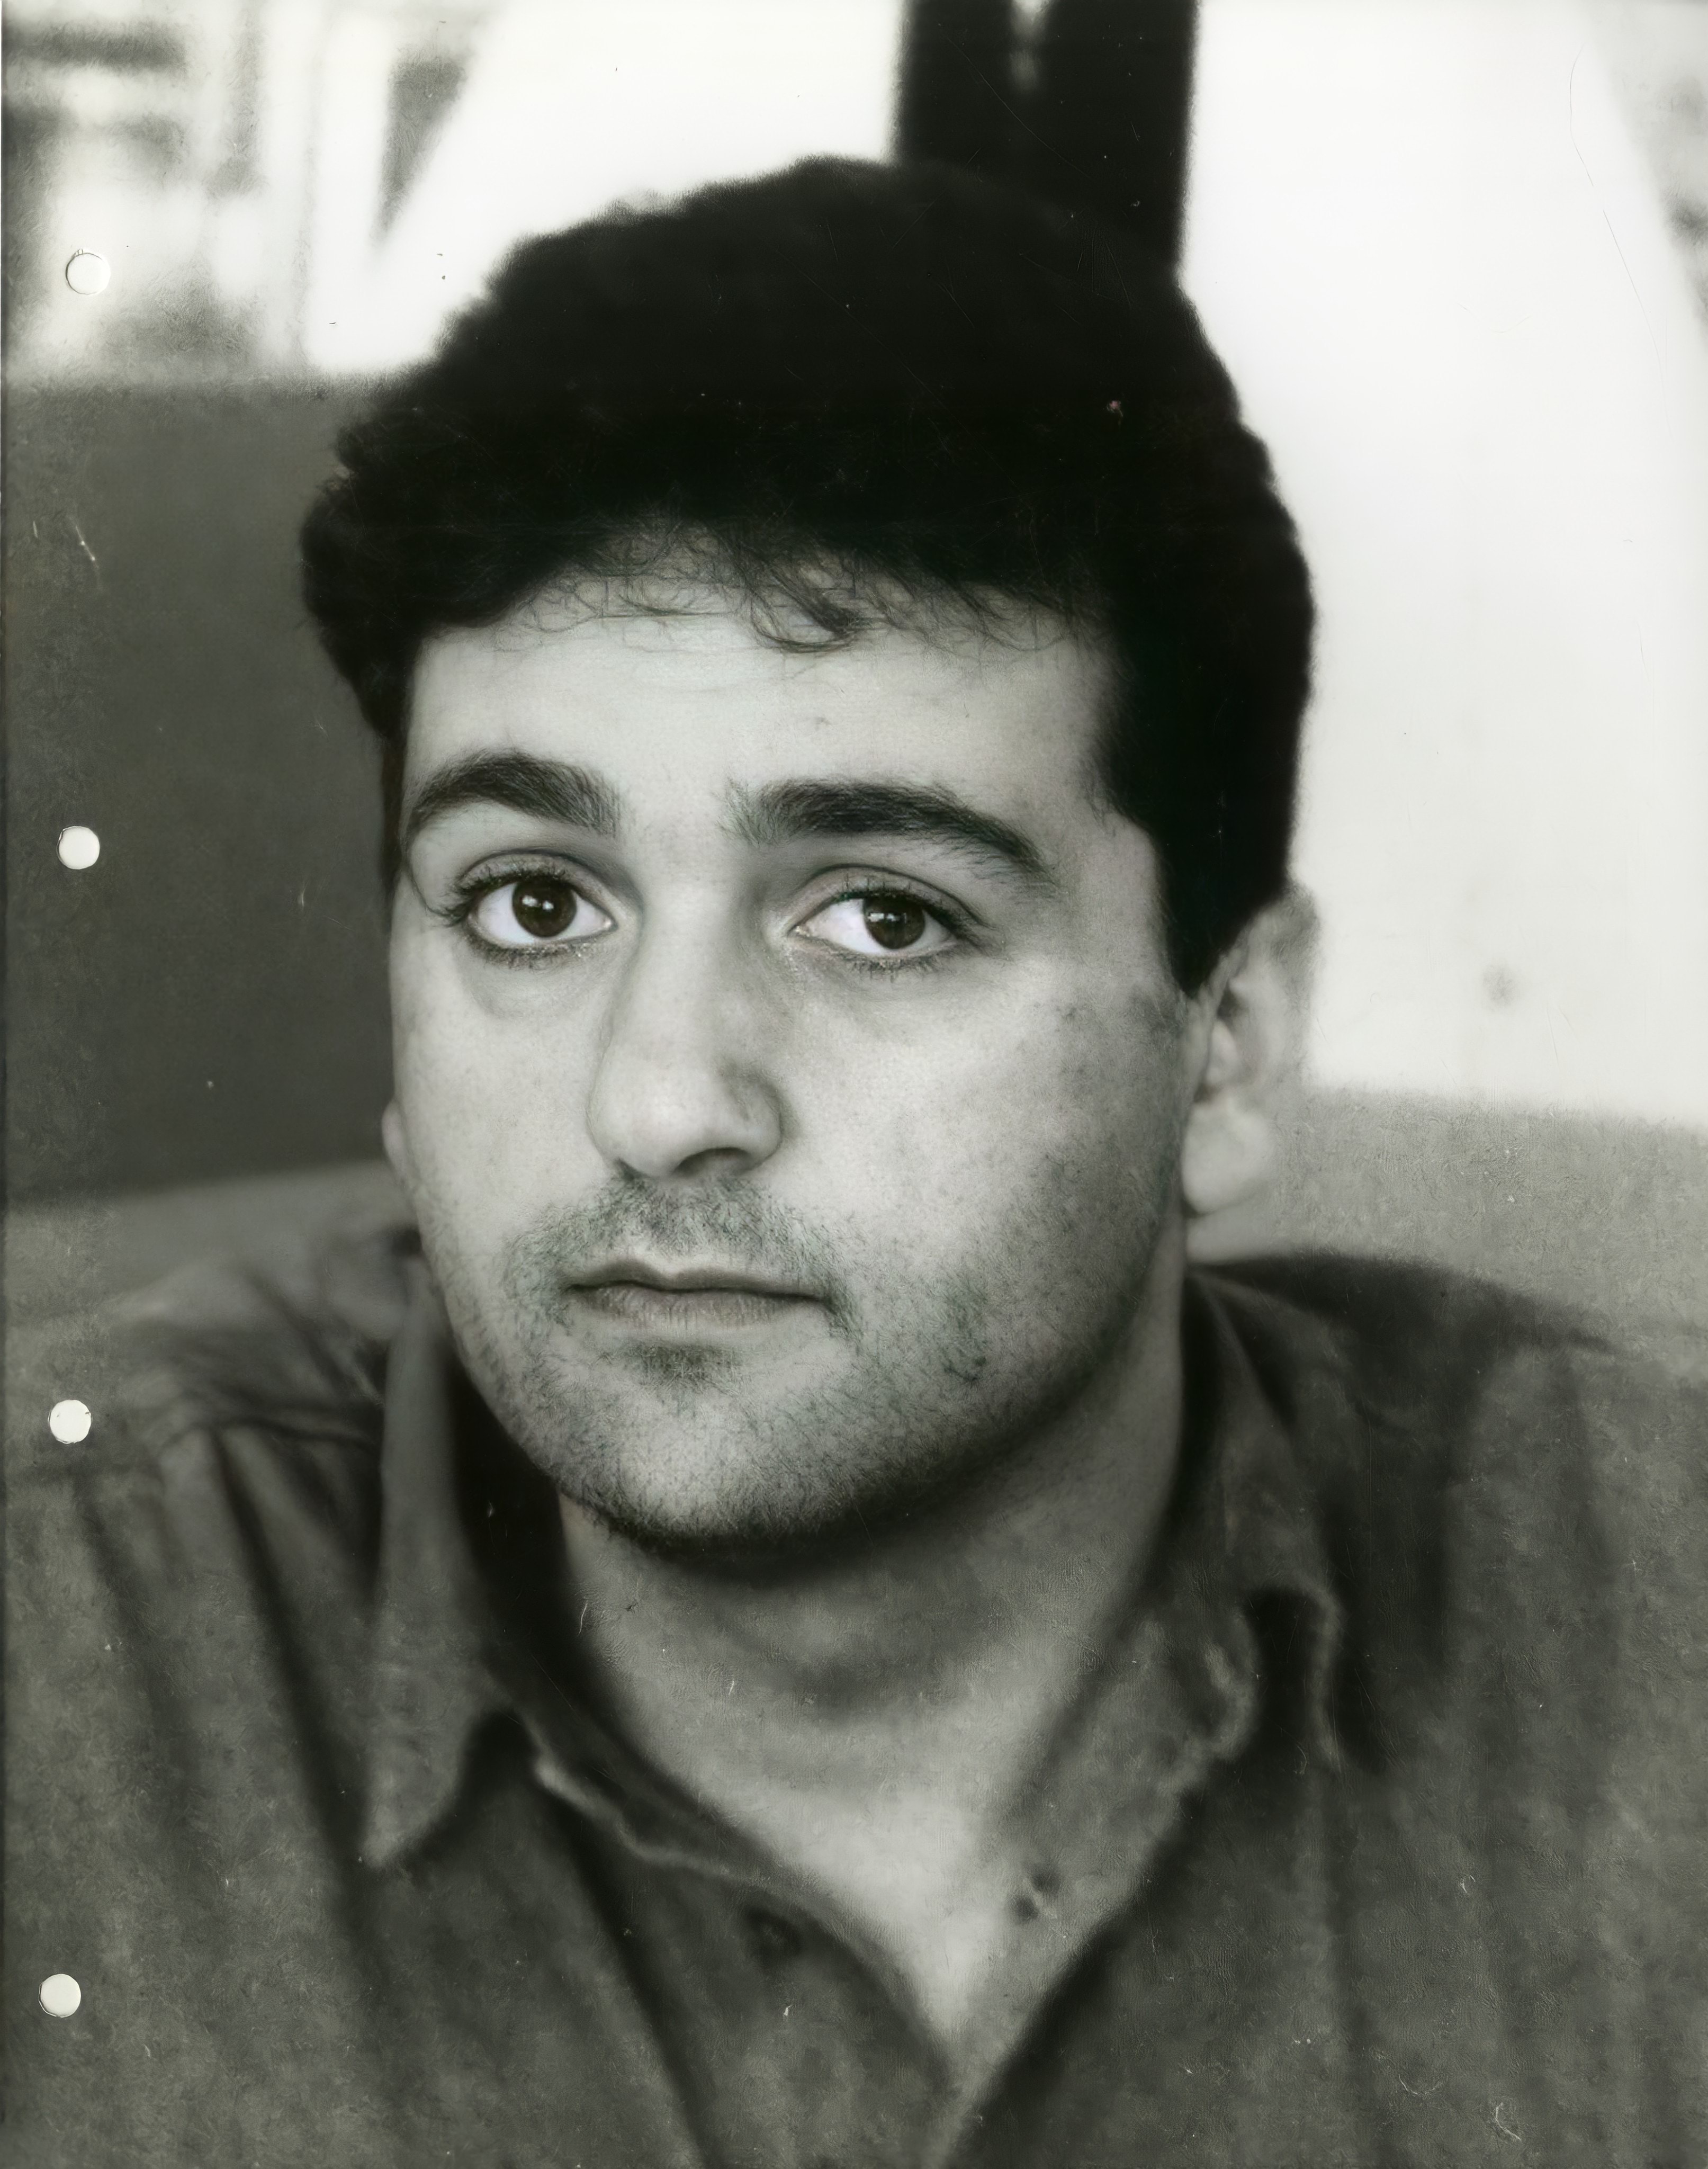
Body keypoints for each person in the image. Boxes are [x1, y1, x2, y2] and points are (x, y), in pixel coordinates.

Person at [11, 158, 1705, 2167]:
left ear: (1227, 1043)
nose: (657, 1100)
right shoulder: (64, 1659)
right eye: (533, 905)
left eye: (883, 918)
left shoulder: (1643, 1644)